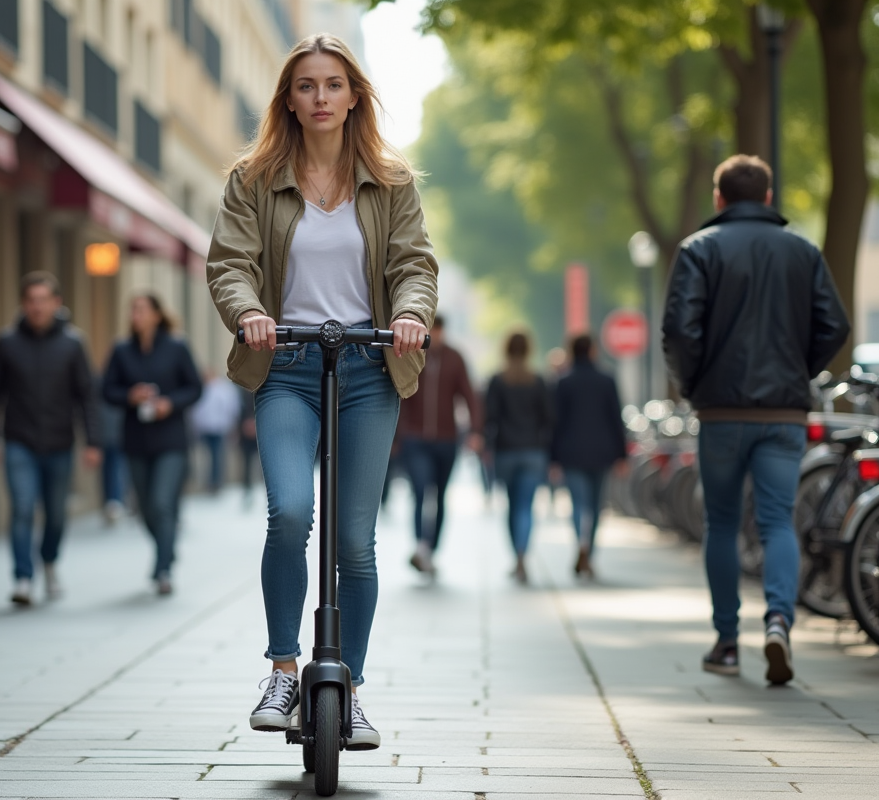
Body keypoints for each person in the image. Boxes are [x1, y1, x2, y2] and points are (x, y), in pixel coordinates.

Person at [206, 33, 437, 750]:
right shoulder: (253, 178)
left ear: (354, 94)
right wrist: (248, 313)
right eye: (306, 86)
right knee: (288, 511)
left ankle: (352, 688)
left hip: (369, 372)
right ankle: (282, 670)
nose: (320, 98)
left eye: (333, 84)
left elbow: (414, 264)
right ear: (289, 99)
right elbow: (230, 262)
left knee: (357, 547)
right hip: (287, 368)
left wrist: (408, 314)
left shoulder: (391, 182)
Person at [663, 154, 850, 685]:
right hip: (784, 413)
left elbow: (679, 330)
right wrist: (798, 371)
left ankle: (726, 642)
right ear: (768, 198)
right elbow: (834, 324)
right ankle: (779, 623)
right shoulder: (802, 251)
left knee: (721, 523)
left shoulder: (698, 251)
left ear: (719, 198)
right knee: (776, 520)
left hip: (721, 411)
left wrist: (696, 385)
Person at [0, 272, 102, 606]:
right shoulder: (6, 343)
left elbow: (86, 396)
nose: (37, 307)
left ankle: (48, 561)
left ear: (56, 303)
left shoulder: (73, 344)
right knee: (21, 507)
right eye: (31, 300)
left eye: (43, 300)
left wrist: (93, 442)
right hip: (19, 441)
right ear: (23, 304)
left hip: (60, 443)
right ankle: (22, 576)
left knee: (56, 514)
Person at [102, 293, 202, 597]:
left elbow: (195, 388)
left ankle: (163, 568)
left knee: (162, 503)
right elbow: (106, 390)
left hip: (171, 439)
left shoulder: (177, 346)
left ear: (157, 315)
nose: (136, 315)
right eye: (133, 309)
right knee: (145, 510)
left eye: (142, 309)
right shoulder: (121, 350)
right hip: (135, 440)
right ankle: (166, 549)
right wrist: (129, 396)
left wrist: (169, 404)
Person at [396, 315, 481, 575]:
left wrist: (475, 431)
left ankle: (431, 551)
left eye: (439, 330)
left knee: (440, 496)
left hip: (446, 439)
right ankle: (421, 546)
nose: (436, 335)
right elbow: (401, 394)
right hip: (416, 439)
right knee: (421, 491)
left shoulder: (455, 358)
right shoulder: (412, 356)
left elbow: (470, 395)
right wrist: (397, 435)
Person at [550, 334, 627, 580]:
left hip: (571, 453)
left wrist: (553, 457)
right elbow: (616, 418)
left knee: (577, 504)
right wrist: (622, 455)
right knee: (595, 506)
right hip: (602, 453)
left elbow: (556, 423)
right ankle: (589, 552)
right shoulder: (607, 380)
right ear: (593, 350)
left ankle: (580, 544)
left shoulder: (564, 382)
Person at [483, 331, 554, 584]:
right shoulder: (538, 381)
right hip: (533, 452)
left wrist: (487, 448)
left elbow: (489, 418)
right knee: (526, 506)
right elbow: (548, 419)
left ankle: (517, 556)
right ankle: (523, 555)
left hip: (506, 451)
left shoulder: (497, 380)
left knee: (512, 506)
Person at [190, 369, 242, 494]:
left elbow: (231, 407)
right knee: (207, 456)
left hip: (219, 427)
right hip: (204, 428)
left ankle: (216, 482)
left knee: (217, 455)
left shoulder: (223, 389)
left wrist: (231, 424)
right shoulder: (202, 387)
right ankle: (209, 481)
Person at [98, 375, 129, 525]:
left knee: (115, 469)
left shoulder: (123, 390)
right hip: (108, 436)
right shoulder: (105, 388)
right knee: (113, 469)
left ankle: (115, 501)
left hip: (116, 436)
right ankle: (114, 502)